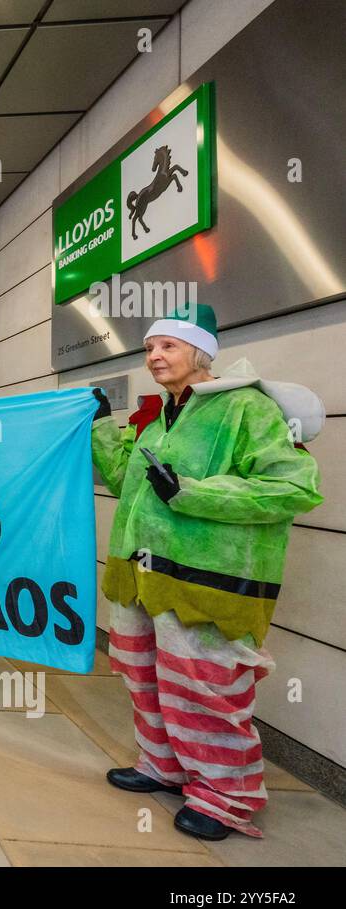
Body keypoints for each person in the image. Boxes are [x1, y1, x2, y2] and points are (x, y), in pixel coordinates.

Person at [91, 303, 323, 841]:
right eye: (149, 348)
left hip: (208, 581)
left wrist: (193, 493)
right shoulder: (159, 413)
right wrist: (102, 425)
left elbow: (293, 487)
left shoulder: (247, 409)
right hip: (141, 576)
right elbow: (127, 477)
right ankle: (162, 766)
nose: (154, 357)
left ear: (201, 352)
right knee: (145, 677)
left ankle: (225, 796)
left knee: (205, 689)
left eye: (167, 346)